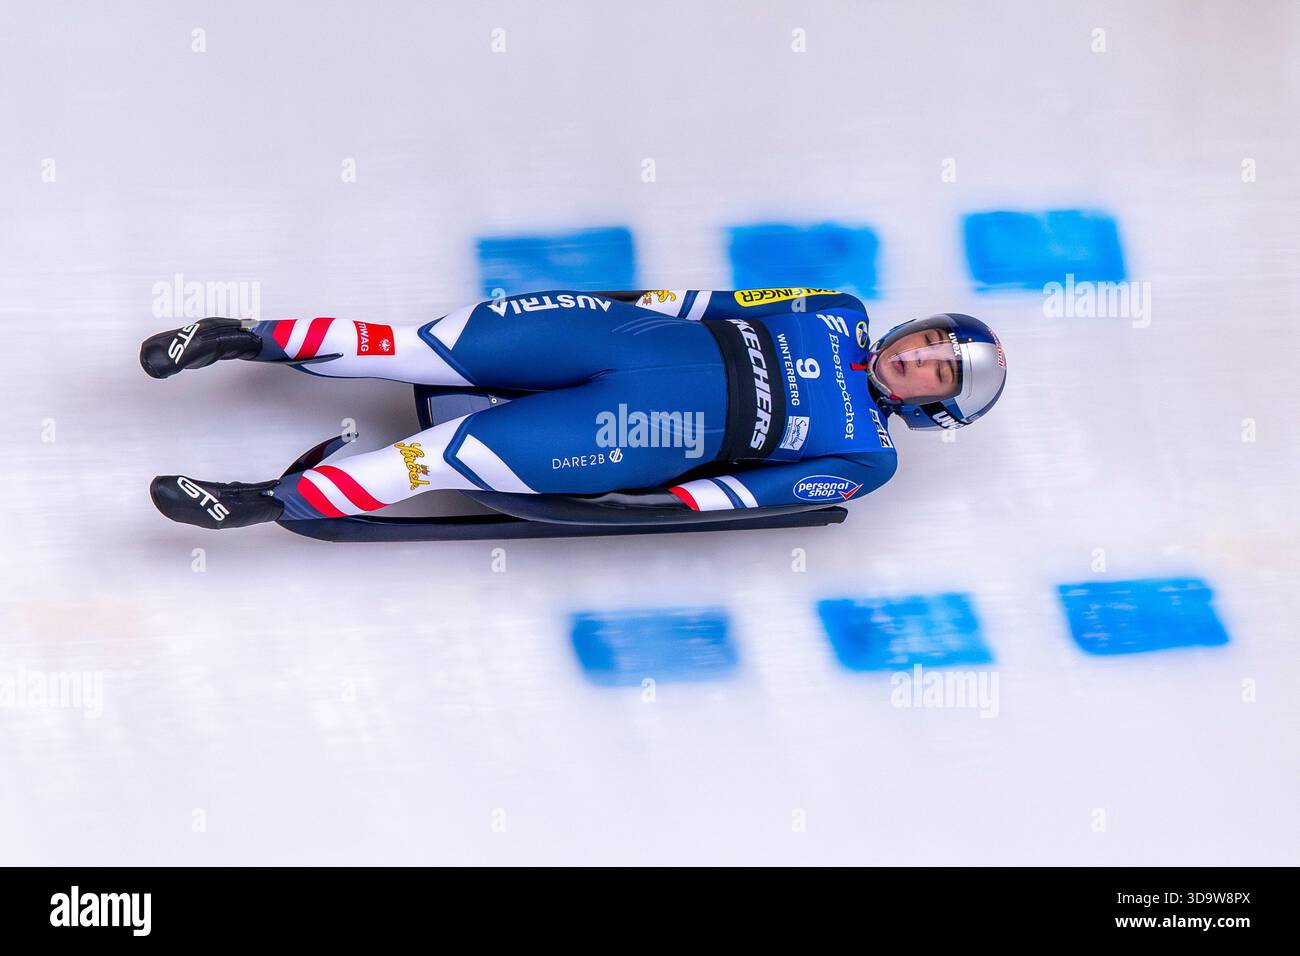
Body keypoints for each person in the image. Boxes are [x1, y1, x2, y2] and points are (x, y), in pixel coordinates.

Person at [140, 288, 1006, 529]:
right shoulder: (834, 309)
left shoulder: (867, 459)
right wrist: (608, 307)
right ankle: (238, 334)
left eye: (935, 374)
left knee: (436, 459)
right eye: (928, 343)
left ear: (933, 408)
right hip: (623, 340)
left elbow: (745, 499)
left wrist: (638, 503)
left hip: (638, 436)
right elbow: (700, 301)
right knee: (411, 343)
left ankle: (261, 502)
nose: (919, 359)